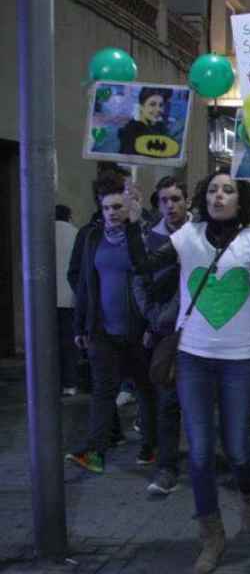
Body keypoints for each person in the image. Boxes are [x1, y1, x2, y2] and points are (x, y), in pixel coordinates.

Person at [126, 170, 250, 574]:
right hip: (193, 358)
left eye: (228, 190)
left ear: (240, 199)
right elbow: (143, 265)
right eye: (213, 189)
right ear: (204, 197)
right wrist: (131, 223)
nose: (219, 195)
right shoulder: (187, 236)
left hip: (240, 360)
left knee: (236, 449)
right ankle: (211, 537)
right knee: (198, 454)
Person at [64, 176, 154, 474]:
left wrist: (135, 222)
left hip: (137, 329)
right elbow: (84, 284)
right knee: (103, 391)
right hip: (102, 329)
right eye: (107, 208)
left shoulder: (138, 235)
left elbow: (145, 268)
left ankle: (151, 446)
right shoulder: (92, 237)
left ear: (127, 207)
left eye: (118, 206)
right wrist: (80, 325)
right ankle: (95, 452)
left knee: (145, 388)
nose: (112, 212)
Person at [133, 176, 189, 495]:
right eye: (164, 200)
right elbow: (138, 279)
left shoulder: (199, 235)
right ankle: (167, 466)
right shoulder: (148, 239)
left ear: (186, 202)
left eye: (176, 198)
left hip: (200, 330)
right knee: (167, 402)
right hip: (165, 332)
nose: (170, 205)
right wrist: (153, 318)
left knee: (201, 403)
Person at [55, 204, 80, 396]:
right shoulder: (75, 233)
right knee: (68, 343)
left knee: (49, 343)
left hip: (47, 299)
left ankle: (51, 380)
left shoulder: (43, 234)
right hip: (69, 297)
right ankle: (70, 383)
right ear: (69, 216)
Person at [118, 87, 172, 156]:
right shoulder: (130, 130)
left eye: (161, 105)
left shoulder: (162, 128)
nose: (158, 109)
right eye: (152, 104)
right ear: (142, 107)